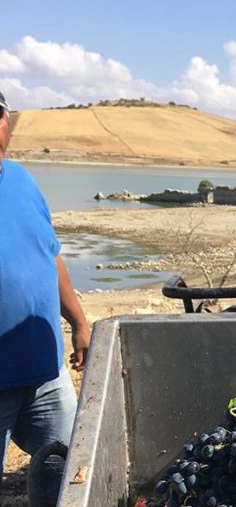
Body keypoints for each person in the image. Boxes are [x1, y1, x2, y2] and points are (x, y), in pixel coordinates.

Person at [0, 90, 91, 501]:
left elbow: (48, 256)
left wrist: (80, 322)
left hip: (46, 373)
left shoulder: (21, 178)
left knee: (70, 471)